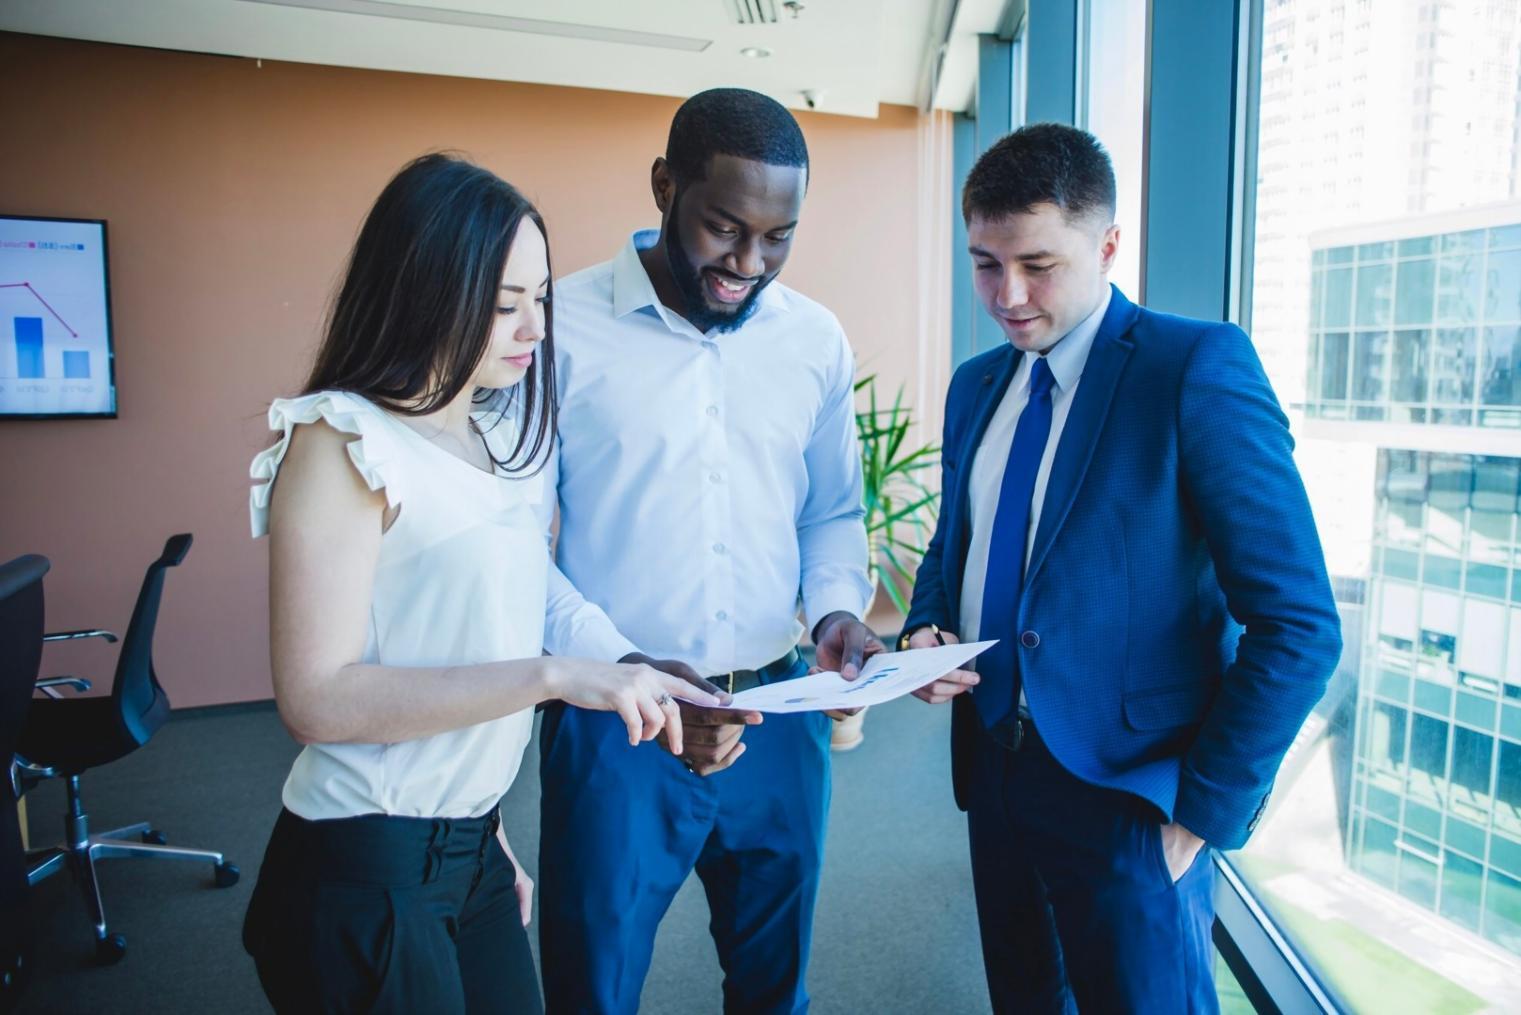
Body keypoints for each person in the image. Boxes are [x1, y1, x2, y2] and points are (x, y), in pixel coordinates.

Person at [240, 153, 712, 1015]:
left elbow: (527, 596)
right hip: (365, 858)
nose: (534, 327)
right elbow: (316, 699)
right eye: (504, 306)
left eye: (540, 299)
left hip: (468, 846)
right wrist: (556, 677)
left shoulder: (491, 439)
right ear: (424, 291)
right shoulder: (343, 441)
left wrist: (484, 823)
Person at [901, 124, 1343, 1012]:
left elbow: (1298, 625)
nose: (1007, 295)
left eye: (1038, 263)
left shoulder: (1193, 368)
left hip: (1133, 800)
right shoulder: (976, 384)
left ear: (1107, 244)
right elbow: (957, 541)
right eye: (985, 263)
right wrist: (923, 624)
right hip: (994, 771)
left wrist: (1196, 818)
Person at [536, 88, 881, 1014]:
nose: (747, 263)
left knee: (776, 989)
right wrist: (624, 671)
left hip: (777, 709)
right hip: (615, 723)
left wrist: (839, 607)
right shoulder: (555, 328)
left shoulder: (812, 339)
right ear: (664, 186)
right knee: (591, 987)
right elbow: (517, 547)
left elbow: (832, 510)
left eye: (777, 237)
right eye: (724, 228)